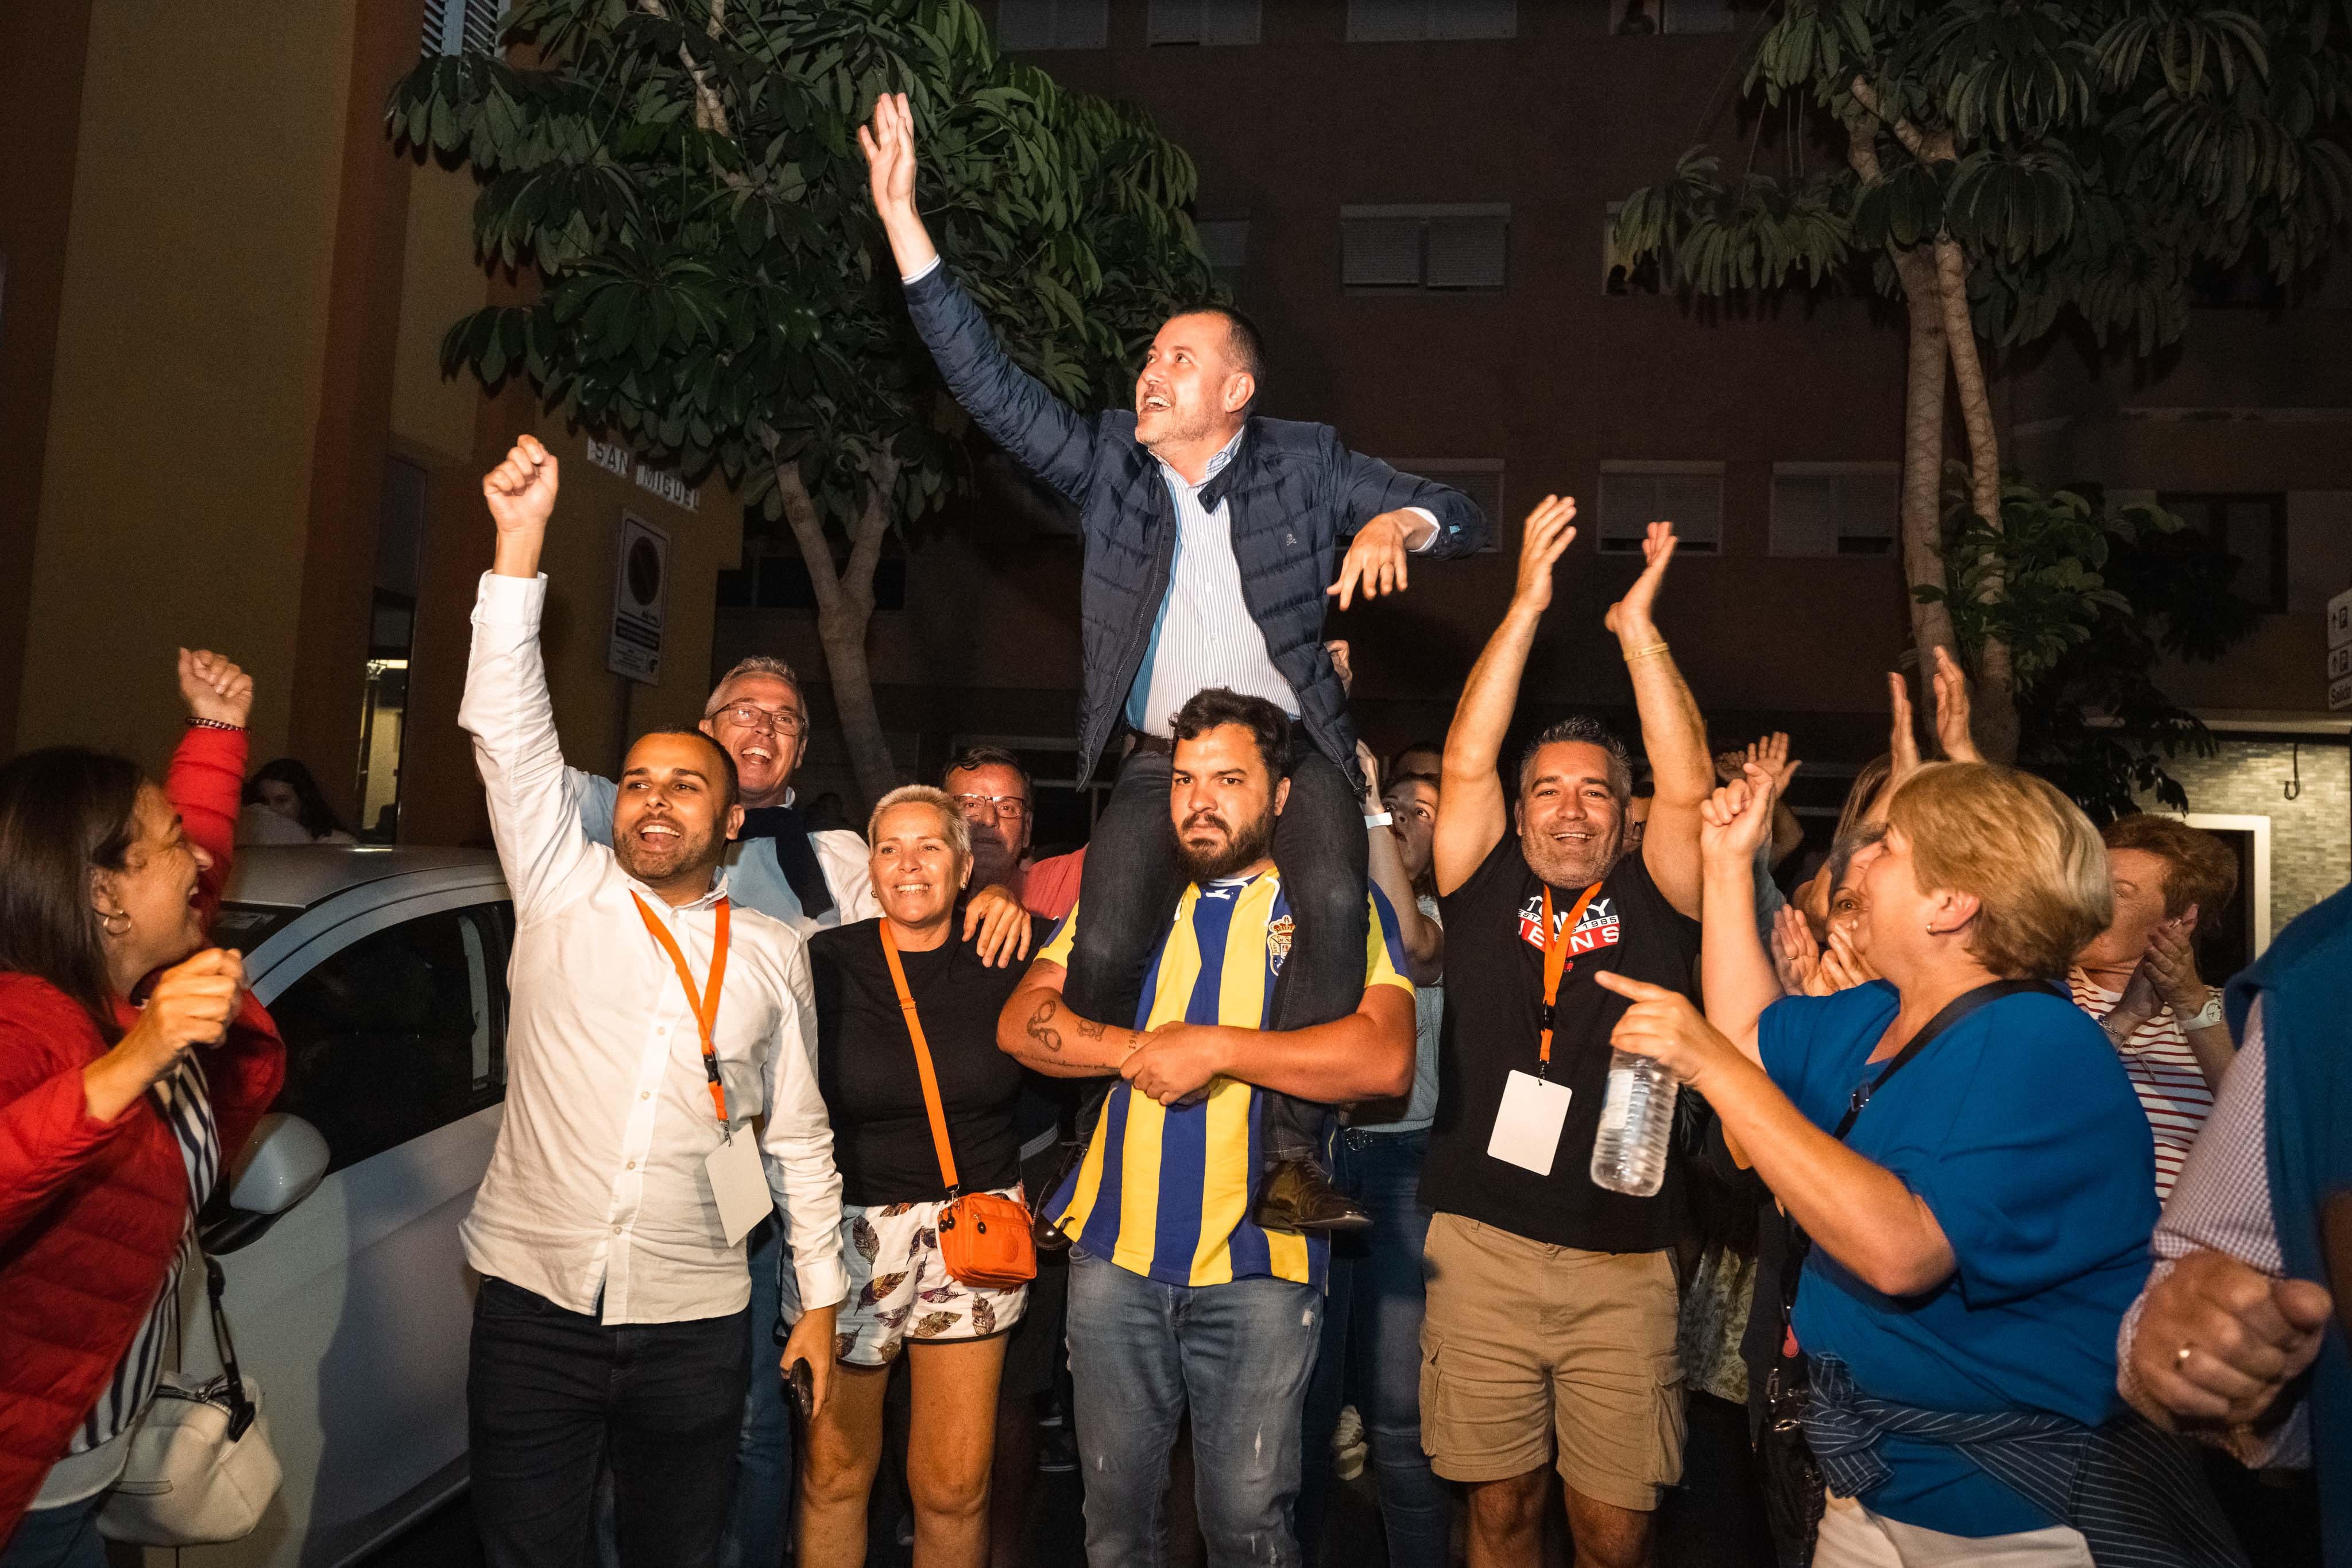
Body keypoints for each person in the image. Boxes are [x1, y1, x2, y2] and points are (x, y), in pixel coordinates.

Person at [864, 91, 1488, 1232]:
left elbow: (1457, 508)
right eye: (1149, 356)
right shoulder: (1109, 463)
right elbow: (991, 391)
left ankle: (1292, 1158)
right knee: (1100, 944)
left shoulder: (1301, 465)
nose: (1148, 372)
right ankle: (1086, 1136)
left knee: (1336, 904)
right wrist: (907, 227)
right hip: (1163, 756)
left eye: (1177, 359)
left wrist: (1400, 527)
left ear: (1233, 393)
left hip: (1289, 749)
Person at [1603, 759, 2242, 1565]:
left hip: (2017, 1512)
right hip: (1872, 1484)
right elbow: (1750, 1041)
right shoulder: (1882, 1012)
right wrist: (1730, 867)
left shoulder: (2041, 1045)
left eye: (1888, 848)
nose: (1854, 864)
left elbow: (1902, 1249)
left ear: (1952, 900)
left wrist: (1715, 1067)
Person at [459, 436, 847, 1568]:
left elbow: (799, 1141)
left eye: (687, 785)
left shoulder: (775, 953)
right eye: (636, 783)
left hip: (695, 1321)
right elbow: (507, 727)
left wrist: (816, 1301)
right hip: (533, 1310)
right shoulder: (557, 884)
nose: (654, 801)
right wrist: (519, 544)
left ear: (732, 822)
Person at [996, 688, 1417, 1568]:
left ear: (1283, 796)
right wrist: (1141, 1049)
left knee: (1249, 1528)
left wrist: (1217, 1048)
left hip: (1262, 1265)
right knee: (1114, 1530)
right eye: (1184, 777)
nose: (1200, 798)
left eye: (1229, 778)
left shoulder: (1332, 913)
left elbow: (1384, 1061)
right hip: (1112, 1260)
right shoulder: (1130, 905)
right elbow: (1022, 1020)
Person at [1419, 498, 1713, 1568]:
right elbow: (1463, 759)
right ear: (1521, 807)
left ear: (1625, 815)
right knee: (1498, 1516)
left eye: (1597, 791)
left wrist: (1638, 634)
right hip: (1480, 1249)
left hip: (1623, 1265)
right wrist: (1527, 607)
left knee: (1611, 1533)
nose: (1571, 809)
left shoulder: (1660, 895)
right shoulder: (1482, 881)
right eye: (1548, 790)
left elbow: (1688, 784)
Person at [1, 651, 286, 1563]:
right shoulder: (25, 1023)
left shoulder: (134, 978)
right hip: (29, 1487)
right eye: (167, 843)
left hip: (96, 1468)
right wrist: (139, 1057)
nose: (201, 857)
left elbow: (198, 844)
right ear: (103, 895)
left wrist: (215, 730)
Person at [799, 787, 1040, 1568]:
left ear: (965, 866)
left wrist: (1014, 902)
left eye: (930, 846)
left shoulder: (1009, 953)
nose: (909, 864)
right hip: (849, 1233)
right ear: (869, 865)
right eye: (890, 847)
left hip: (974, 1233)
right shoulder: (823, 964)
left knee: (954, 1486)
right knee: (835, 1474)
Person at [2116, 882, 2349, 1562]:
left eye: (2126, 886)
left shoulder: (2238, 1001)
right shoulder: (2321, 972)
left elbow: (2239, 1098)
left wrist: (2189, 1004)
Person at [1296, 752, 1448, 1568]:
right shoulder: (1327, 906)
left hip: (1401, 1171)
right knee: (1307, 1409)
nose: (1403, 817)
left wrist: (1372, 811)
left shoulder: (1444, 914)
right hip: (1317, 1160)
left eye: (1422, 811)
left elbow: (1415, 948)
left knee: (1397, 1413)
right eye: (1395, 804)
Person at [2069, 814, 2240, 1202]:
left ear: (2181, 921)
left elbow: (2266, 1128)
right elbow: (2037, 1098)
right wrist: (2124, 1018)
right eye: (2085, 884)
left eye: (2117, 892)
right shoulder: (2046, 995)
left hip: (2193, 1248)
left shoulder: (2233, 1012)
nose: (2084, 902)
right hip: (2078, 1241)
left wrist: (2190, 1004)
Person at [238, 755, 357, 845]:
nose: (271, 809)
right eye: (264, 802)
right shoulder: (257, 839)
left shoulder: (336, 843)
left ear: (303, 800)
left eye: (282, 801)